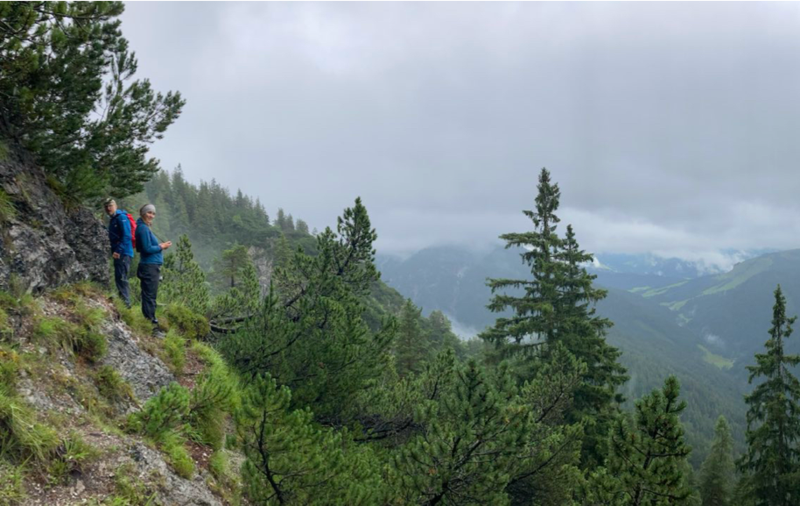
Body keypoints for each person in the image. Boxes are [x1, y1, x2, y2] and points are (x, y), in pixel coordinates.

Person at [135, 204, 171, 336]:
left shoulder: (145, 228)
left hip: (150, 266)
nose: (151, 216)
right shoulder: (143, 229)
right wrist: (161, 246)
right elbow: (146, 249)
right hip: (149, 266)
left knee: (149, 296)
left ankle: (150, 323)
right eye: (149, 213)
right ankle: (152, 327)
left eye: (153, 214)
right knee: (150, 297)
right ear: (143, 213)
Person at [104, 198, 134, 309]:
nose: (108, 208)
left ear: (115, 206)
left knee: (121, 277)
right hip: (120, 253)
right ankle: (123, 302)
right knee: (119, 276)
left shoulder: (121, 217)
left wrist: (118, 250)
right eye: (106, 206)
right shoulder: (113, 219)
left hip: (124, 253)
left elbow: (127, 235)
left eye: (110, 205)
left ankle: (126, 304)